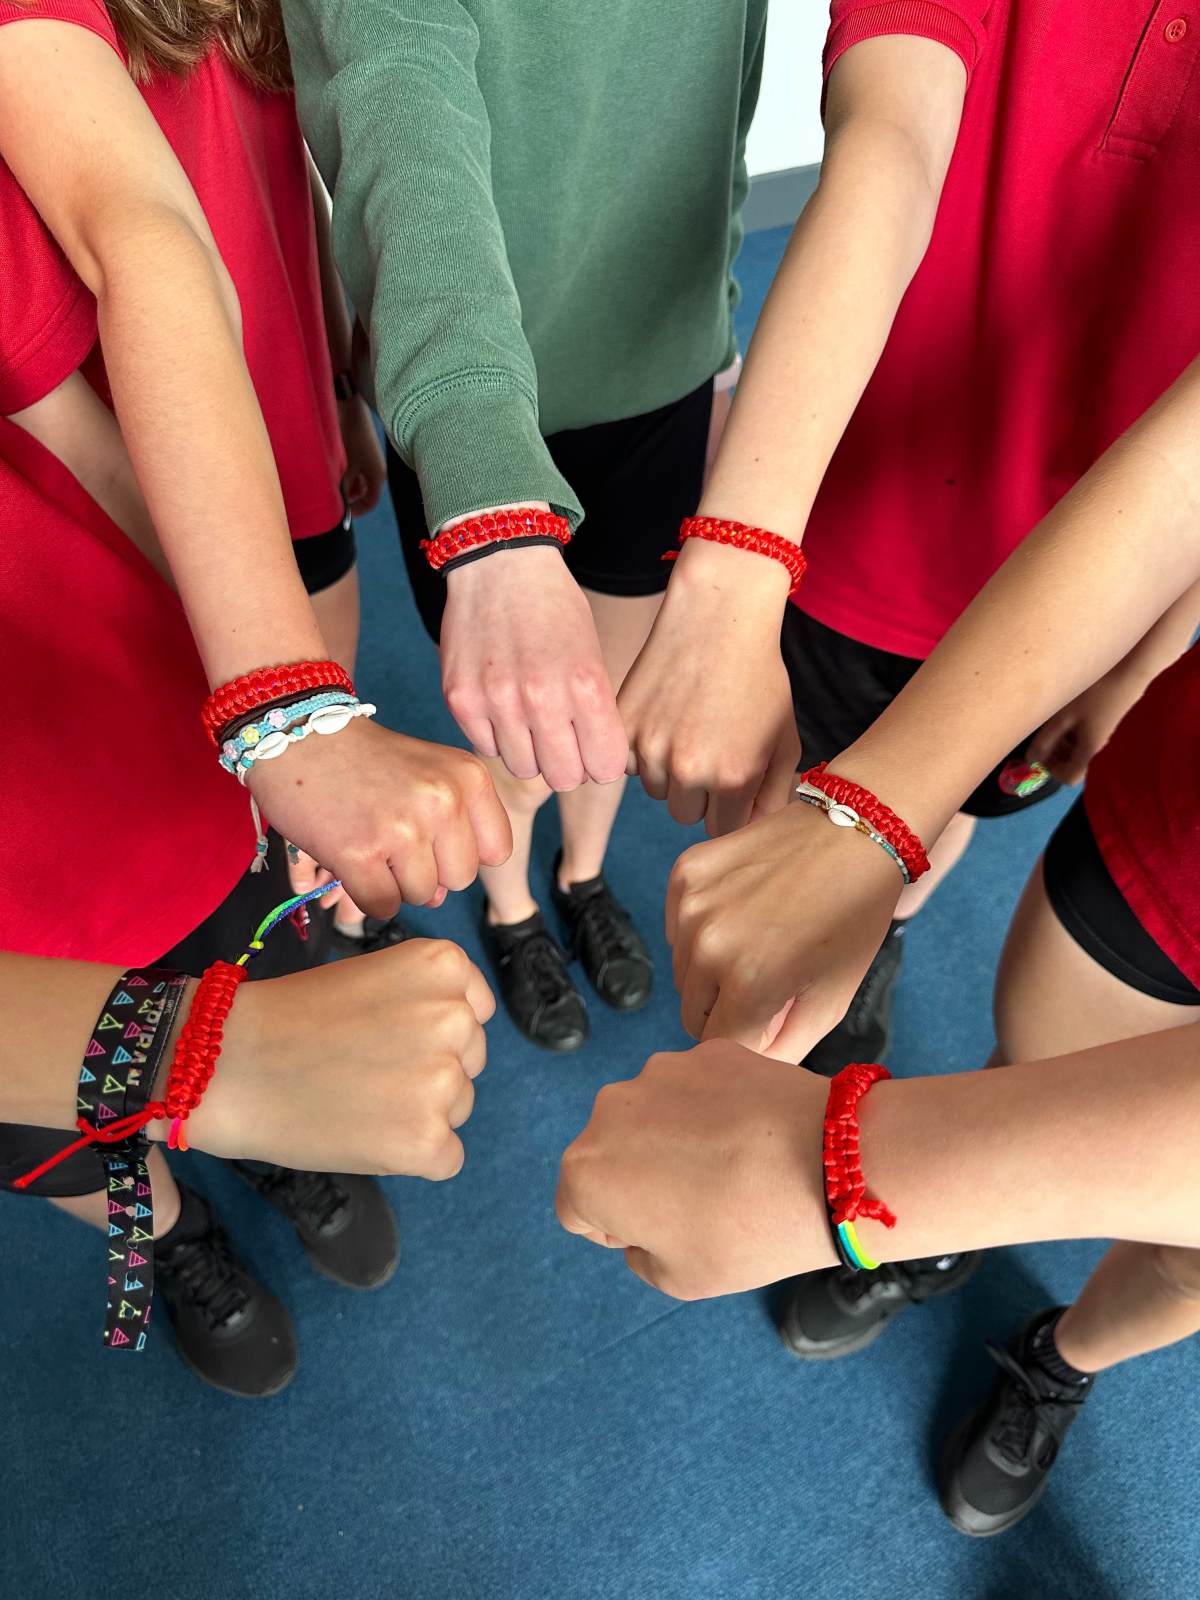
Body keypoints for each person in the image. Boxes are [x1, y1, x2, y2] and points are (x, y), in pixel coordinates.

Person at [556, 354, 1200, 1531]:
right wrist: (873, 815)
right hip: (1185, 847)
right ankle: (955, 1224)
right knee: (1046, 1051)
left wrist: (848, 1174)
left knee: (1187, 1265)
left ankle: (1059, 1354)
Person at [0, 0, 510, 1394]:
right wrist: (203, 1061)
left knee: (253, 939)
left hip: (117, 720)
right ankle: (172, 1234)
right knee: (66, 1135)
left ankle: (273, 1141)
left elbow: (124, 273)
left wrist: (278, 696)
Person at [618, 0, 1200, 1072]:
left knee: (946, 810)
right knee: (775, 820)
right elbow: (887, 144)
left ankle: (879, 930)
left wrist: (1145, 657)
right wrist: (735, 570)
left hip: (1094, 614)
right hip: (858, 542)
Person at [282, 0, 778, 1049]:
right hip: (458, 379)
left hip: (661, 360)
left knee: (609, 697)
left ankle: (581, 875)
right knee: (516, 719)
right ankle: (512, 912)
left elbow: (722, 110)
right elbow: (397, 97)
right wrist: (491, 508)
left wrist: (717, 332)